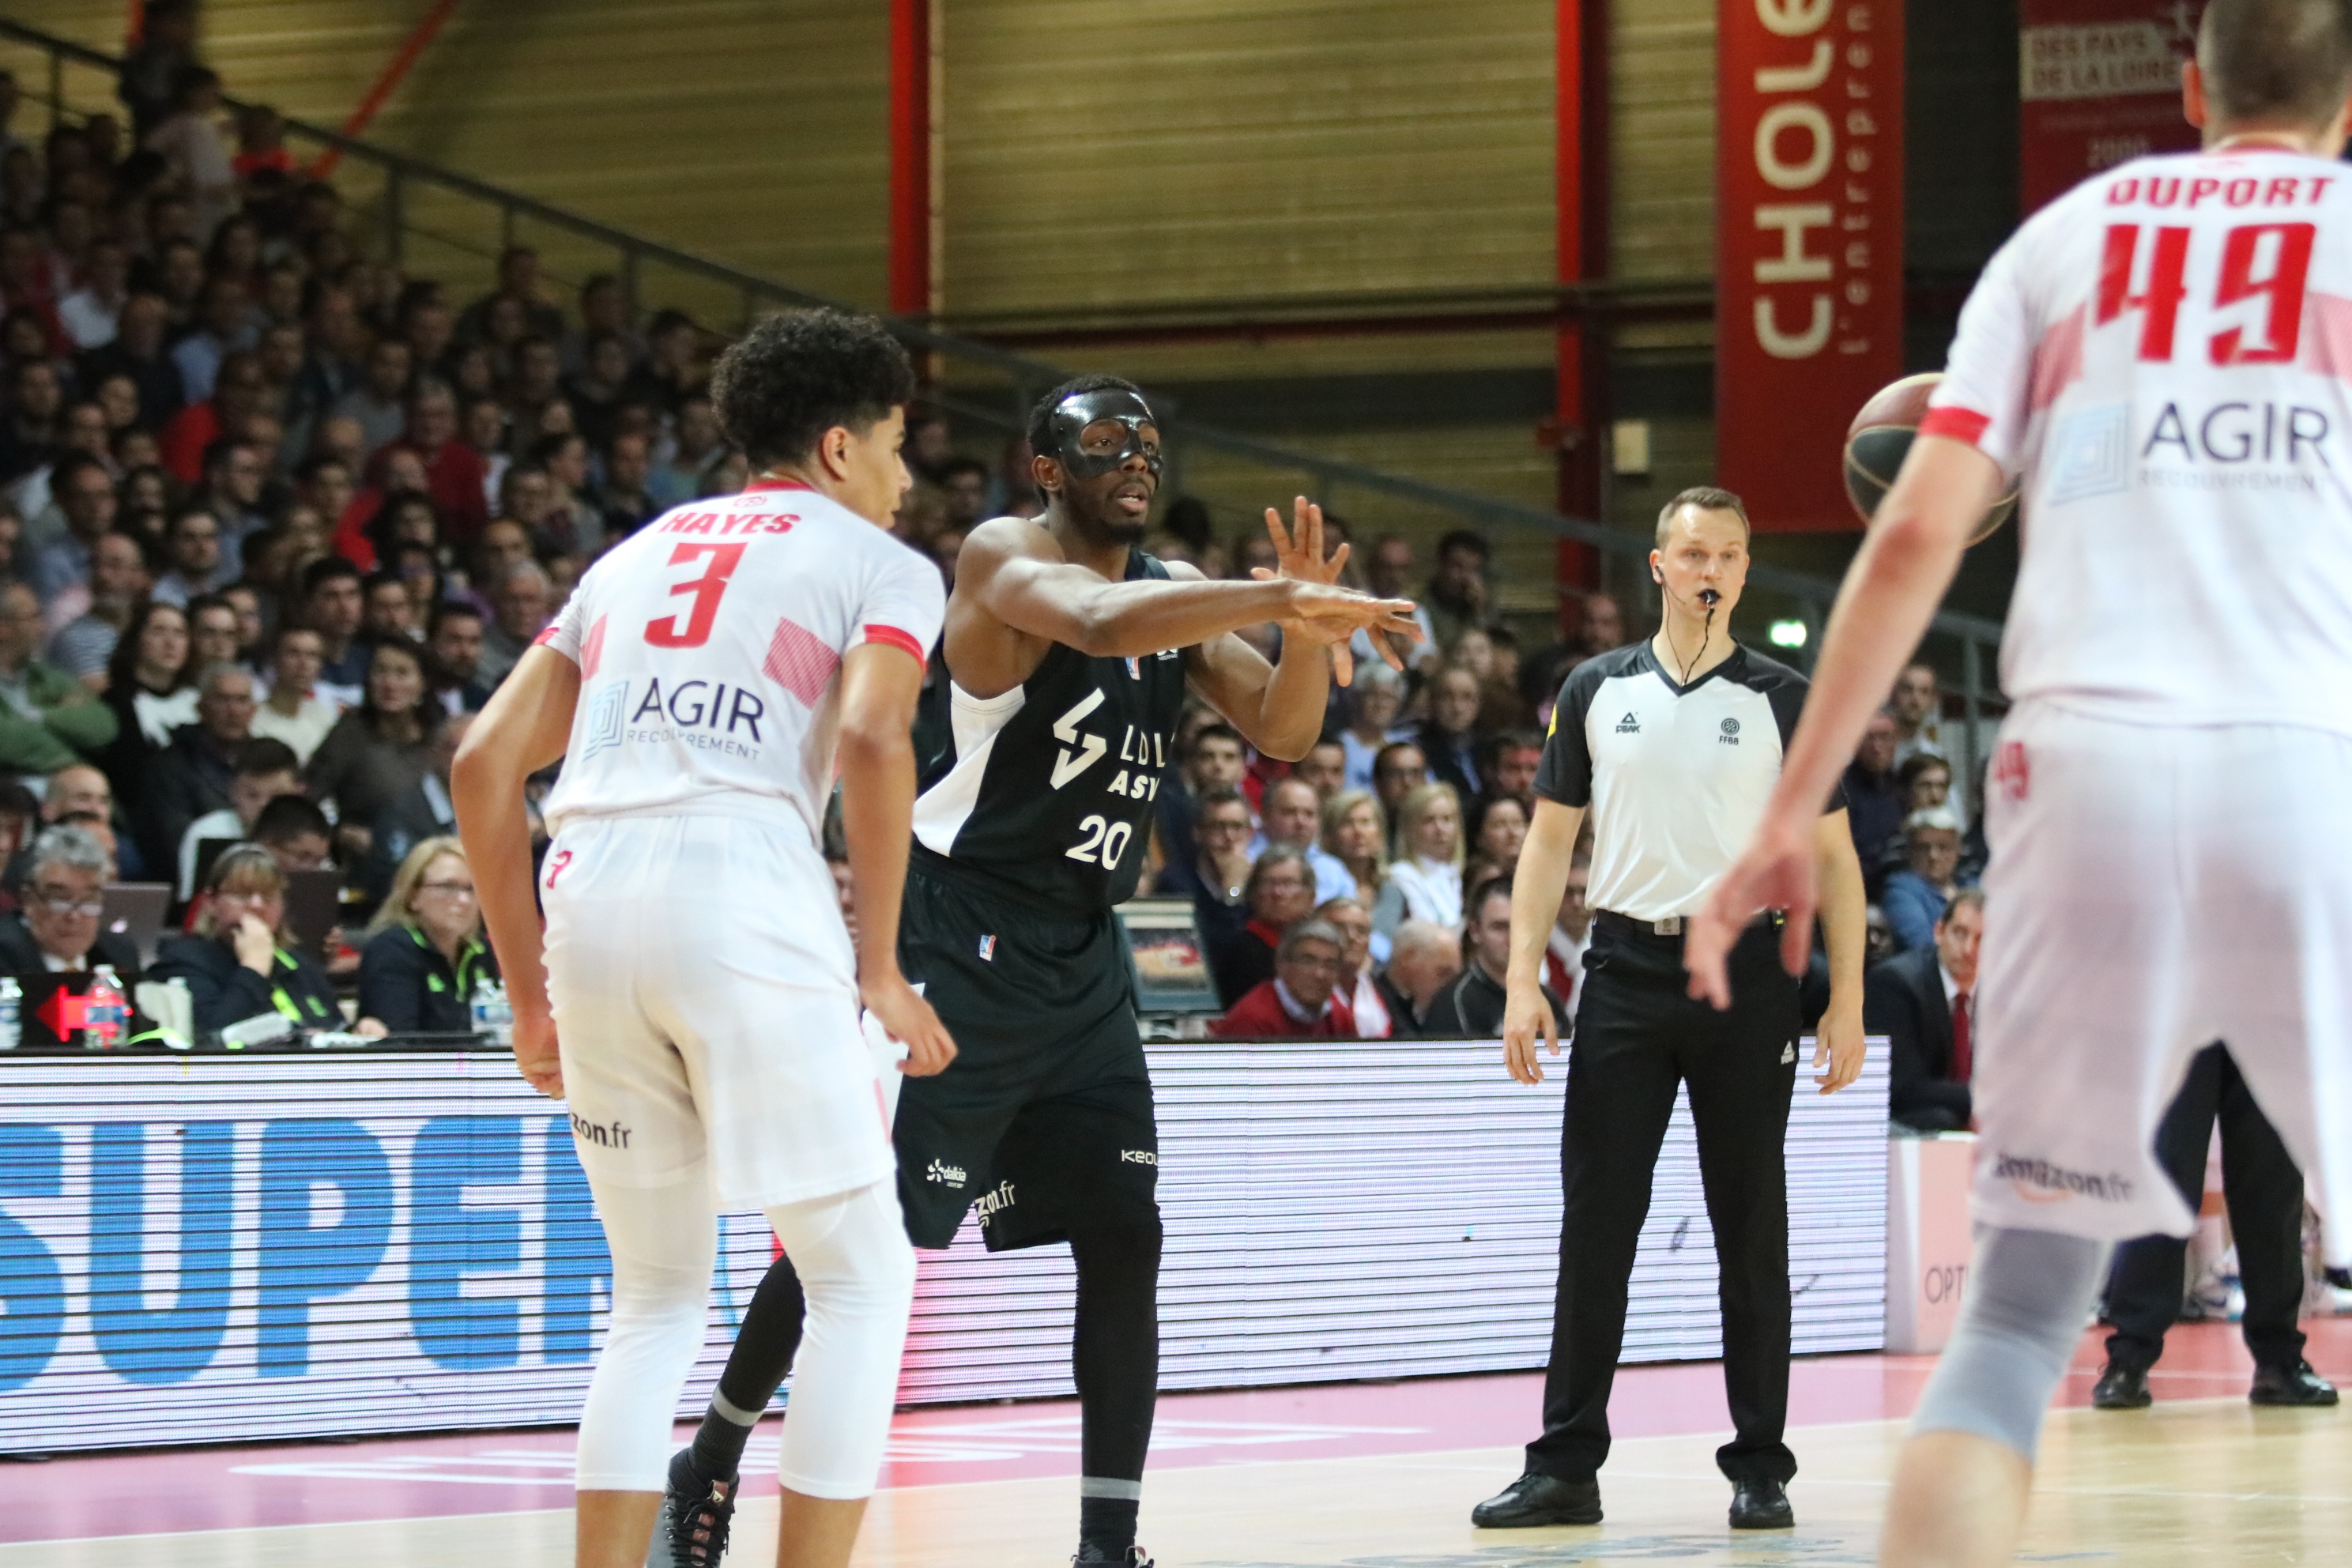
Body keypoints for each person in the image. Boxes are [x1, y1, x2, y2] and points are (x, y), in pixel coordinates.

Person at [1683, 9, 2352, 1562]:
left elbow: (1920, 531)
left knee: (2010, 1326)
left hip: (2086, 781)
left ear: (2191, 89)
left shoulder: (2066, 246)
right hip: (2306, 771)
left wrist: (1789, 811)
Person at [677, 370, 1417, 1568]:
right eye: (1104, 439)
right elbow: (1102, 625)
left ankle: (1107, 1546)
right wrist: (1282, 591)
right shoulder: (998, 557)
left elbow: (1283, 733)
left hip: (1081, 952)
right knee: (860, 1237)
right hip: (953, 939)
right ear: (1046, 466)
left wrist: (1305, 638)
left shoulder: (1173, 589)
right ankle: (708, 1457)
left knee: (1126, 1231)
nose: (1135, 455)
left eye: (1148, 440)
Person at [451, 307, 957, 1568]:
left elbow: (480, 765)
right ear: (840, 448)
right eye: (897, 447)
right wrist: (882, 966)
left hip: (588, 893)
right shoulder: (881, 562)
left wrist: (525, 999)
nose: (908, 477)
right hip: (738, 885)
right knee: (859, 1278)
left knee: (659, 1299)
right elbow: (875, 740)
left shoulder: (630, 558)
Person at [1482, 485, 1867, 1534]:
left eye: (1730, 555)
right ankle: (1564, 1465)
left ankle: (1761, 1466)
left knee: (1752, 1228)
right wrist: (1525, 978)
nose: (1710, 568)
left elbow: (1835, 862)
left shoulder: (1791, 696)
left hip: (1749, 978)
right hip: (1624, 974)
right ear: (1657, 566)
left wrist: (1845, 1002)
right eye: (1693, 551)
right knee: (1596, 1227)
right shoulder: (1597, 685)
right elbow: (1548, 843)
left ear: (1746, 573)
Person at [2091, 1042, 2338, 1410]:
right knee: (2164, 1170)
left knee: (2274, 1181)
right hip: (2182, 1004)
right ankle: (2129, 1356)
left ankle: (2279, 1358)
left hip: (2268, 1007)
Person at [153, 844, 340, 1036]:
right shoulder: (184, 961)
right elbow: (210, 1039)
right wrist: (253, 970)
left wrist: (361, 1029)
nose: (257, 905)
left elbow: (337, 1029)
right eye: (242, 894)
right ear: (211, 902)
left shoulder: (299, 965)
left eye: (268, 896)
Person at [304, 639, 436, 859]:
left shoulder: (436, 735)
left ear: (422, 683)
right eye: (380, 672)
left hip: (427, 856)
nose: (389, 684)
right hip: (367, 863)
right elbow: (308, 798)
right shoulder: (350, 732)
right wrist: (340, 833)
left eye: (402, 674)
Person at [1866, 888, 1983, 1134]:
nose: (1969, 950)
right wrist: (1986, 1099)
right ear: (1939, 931)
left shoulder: (2003, 993)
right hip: (1907, 1117)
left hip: (1977, 1113)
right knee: (1943, 1120)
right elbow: (1904, 1088)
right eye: (1960, 934)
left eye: (1982, 939)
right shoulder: (1894, 985)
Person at [355, 834, 497, 1035]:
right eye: (448, 886)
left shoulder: (480, 950)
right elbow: (400, 1041)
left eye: (472, 888)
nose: (464, 900)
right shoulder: (392, 950)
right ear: (413, 896)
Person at [135, 661, 254, 878]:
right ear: (201, 708)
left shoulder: (267, 761)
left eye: (242, 700)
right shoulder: (169, 766)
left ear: (254, 710)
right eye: (223, 700)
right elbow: (175, 845)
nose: (234, 711)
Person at [0, 581, 118, 776]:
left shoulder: (44, 676)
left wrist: (40, 715)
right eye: (33, 618)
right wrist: (72, 760)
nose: (43, 628)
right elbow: (6, 741)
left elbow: (104, 724)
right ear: (3, 629)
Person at [1427, 876, 1565, 1039]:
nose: (1512, 938)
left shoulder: (1546, 998)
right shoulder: (1455, 1003)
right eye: (1499, 927)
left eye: (1522, 926)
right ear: (1475, 931)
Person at [0, 824, 141, 977]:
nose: (74, 916)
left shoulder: (120, 953)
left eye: (89, 901)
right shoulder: (4, 956)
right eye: (60, 900)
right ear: (29, 900)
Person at [173, 736, 302, 902]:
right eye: (252, 795)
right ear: (233, 792)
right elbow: (193, 904)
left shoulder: (308, 832)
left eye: (276, 796)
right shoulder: (207, 832)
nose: (264, 805)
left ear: (298, 794)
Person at [360, 710, 468, 899]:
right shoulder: (402, 812)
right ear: (436, 752)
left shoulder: (502, 806)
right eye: (458, 748)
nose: (470, 759)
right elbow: (392, 882)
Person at [1204, 846, 1315, 1007]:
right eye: (1269, 883)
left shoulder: (1318, 947)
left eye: (1288, 883)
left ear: (1310, 896)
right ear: (1253, 893)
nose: (1277, 893)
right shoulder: (1238, 950)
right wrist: (1233, 891)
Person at [1209, 917, 1355, 1038]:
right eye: (1307, 961)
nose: (1319, 974)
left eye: (1330, 965)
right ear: (1282, 964)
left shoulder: (1339, 1014)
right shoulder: (1253, 1018)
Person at [1373, 781, 1464, 937]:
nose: (1440, 829)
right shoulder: (1401, 876)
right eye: (1429, 820)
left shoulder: (1455, 874)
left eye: (1447, 819)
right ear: (1409, 828)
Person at [1881, 805, 1971, 952]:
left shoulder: (1975, 885)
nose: (1933, 856)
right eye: (1924, 847)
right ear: (1909, 851)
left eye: (1943, 847)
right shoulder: (1900, 891)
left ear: (1958, 850)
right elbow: (1923, 946)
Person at [248, 623, 339, 763]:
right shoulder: (253, 721)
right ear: (275, 660)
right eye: (293, 653)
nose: (303, 664)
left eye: (312, 655)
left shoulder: (323, 717)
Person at [1256, 775, 1353, 903]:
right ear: (1265, 816)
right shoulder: (1246, 861)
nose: (1301, 822)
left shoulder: (1334, 871)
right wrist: (1233, 889)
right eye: (1290, 812)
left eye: (1309, 814)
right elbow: (1233, 897)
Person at [1841, 710, 1906, 882]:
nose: (1877, 748)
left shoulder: (1904, 786)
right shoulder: (1839, 791)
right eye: (1869, 738)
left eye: (1885, 737)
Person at [1315, 895, 1389, 1038]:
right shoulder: (1301, 993)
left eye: (1361, 930)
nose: (1351, 937)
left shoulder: (1383, 993)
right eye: (1339, 928)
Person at [1378, 917, 1461, 1035]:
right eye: (1443, 973)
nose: (1449, 985)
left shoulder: (1443, 1012)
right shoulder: (1373, 1006)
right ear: (1407, 959)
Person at [1417, 663, 1487, 801]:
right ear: (1432, 701)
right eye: (1447, 697)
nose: (1457, 708)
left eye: (1467, 698)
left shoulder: (1488, 750)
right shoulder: (1418, 752)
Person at [1337, 662, 1407, 790]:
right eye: (1373, 695)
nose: (1380, 704)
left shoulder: (1404, 749)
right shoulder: (1339, 747)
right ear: (1357, 698)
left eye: (1388, 697)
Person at [1320, 787, 1389, 911]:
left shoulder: (1393, 891)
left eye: (1365, 822)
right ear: (1330, 835)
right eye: (1347, 823)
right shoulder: (1320, 884)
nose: (1358, 832)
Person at [1889, 661, 1946, 767]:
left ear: (1934, 700)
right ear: (1892, 694)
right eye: (1907, 690)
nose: (1915, 700)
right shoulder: (1872, 751)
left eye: (1924, 692)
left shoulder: (1935, 757)